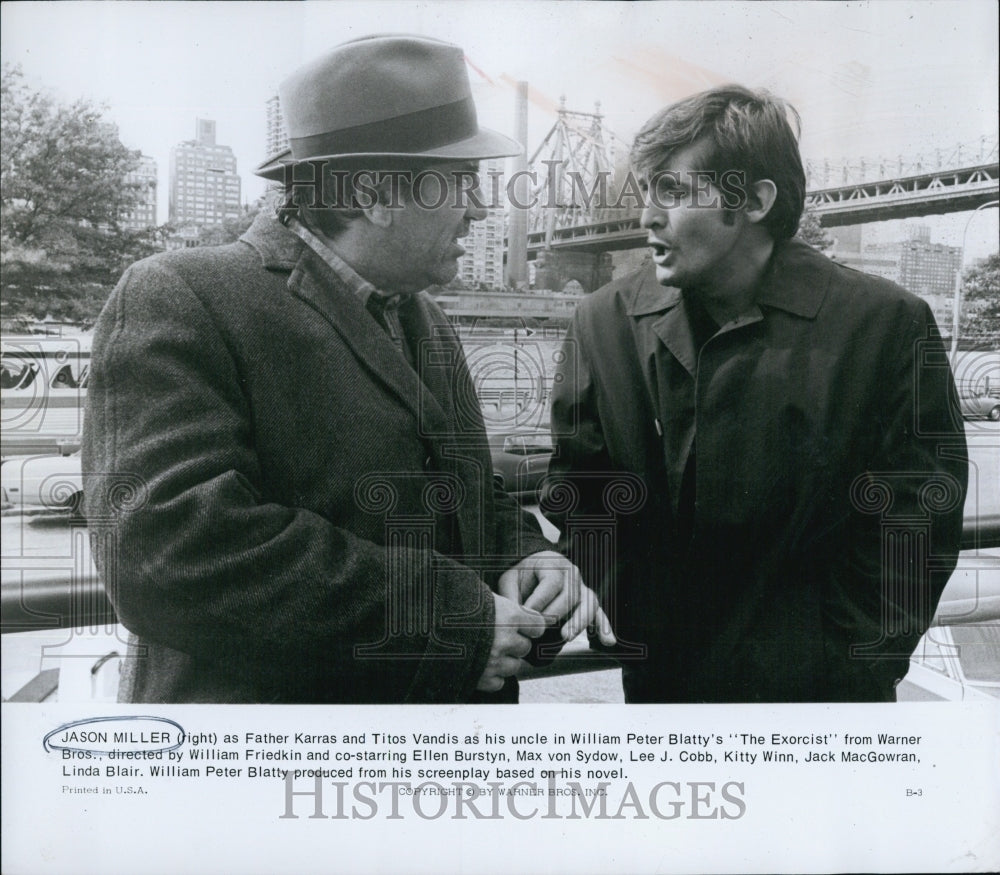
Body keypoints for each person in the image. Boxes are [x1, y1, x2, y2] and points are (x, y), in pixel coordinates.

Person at [83, 35, 612, 704]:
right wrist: (442, 616)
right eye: (460, 180)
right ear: (371, 193)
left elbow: (466, 498)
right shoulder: (180, 296)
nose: (480, 207)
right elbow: (163, 552)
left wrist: (521, 551)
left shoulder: (424, 317)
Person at [542, 85, 967, 703]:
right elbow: (582, 493)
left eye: (673, 191)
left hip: (821, 708)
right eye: (645, 192)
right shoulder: (601, 320)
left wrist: (847, 663)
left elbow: (917, 523)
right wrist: (631, 621)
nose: (646, 217)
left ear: (756, 202)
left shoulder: (885, 324)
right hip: (662, 692)